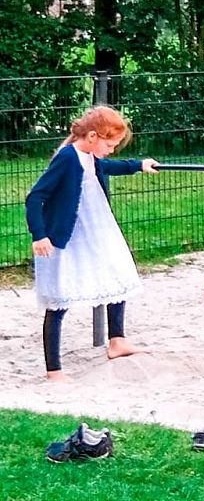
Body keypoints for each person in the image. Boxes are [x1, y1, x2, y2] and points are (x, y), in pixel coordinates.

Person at [25, 105, 158, 379]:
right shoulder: (67, 158)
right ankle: (54, 370)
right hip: (68, 232)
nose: (111, 150)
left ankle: (117, 341)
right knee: (60, 296)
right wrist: (39, 234)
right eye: (110, 144)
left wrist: (138, 165)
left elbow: (105, 165)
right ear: (93, 136)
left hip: (96, 227)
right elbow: (35, 197)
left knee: (115, 272)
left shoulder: (89, 156)